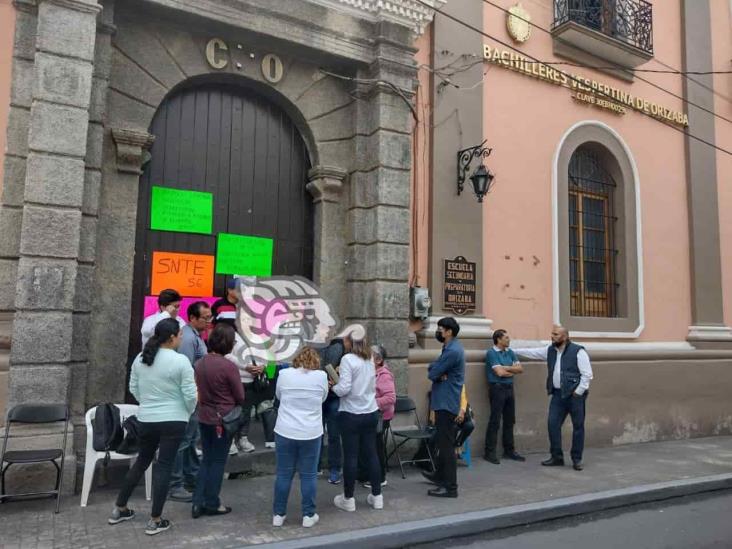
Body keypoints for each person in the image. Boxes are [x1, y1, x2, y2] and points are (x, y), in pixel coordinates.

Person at [108, 318, 197, 536]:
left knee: (141, 462)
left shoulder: (141, 358)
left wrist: (147, 403)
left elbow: (134, 388)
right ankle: (155, 519)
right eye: (180, 335)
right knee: (164, 466)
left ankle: (120, 508)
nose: (182, 338)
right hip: (174, 419)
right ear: (173, 337)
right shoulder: (181, 361)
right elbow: (191, 394)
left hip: (147, 418)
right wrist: (186, 411)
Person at [513, 325, 593, 471]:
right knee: (552, 424)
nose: (552, 336)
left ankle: (576, 459)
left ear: (565, 336)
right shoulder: (550, 350)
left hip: (575, 396)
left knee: (578, 427)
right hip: (557, 395)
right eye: (552, 334)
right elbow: (533, 353)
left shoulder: (578, 351)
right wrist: (511, 351)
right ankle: (557, 457)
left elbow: (587, 374)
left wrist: (578, 392)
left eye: (556, 334)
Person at [191, 323, 245, 519]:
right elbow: (240, 395)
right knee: (218, 461)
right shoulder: (229, 366)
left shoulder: (199, 363)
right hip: (224, 418)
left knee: (206, 459)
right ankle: (212, 502)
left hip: (204, 415)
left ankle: (197, 502)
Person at [272, 347, 329, 528]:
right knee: (309, 475)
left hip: (285, 430)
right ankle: (308, 515)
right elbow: (323, 398)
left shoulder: (284, 374)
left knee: (283, 474)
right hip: (310, 432)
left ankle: (278, 515)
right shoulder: (321, 376)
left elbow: (279, 396)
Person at [331, 333, 384, 512]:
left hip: (351, 413)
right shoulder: (370, 358)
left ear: (350, 342)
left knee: (351, 456)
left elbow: (344, 388)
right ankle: (377, 497)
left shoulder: (347, 359)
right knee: (371, 454)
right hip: (370, 411)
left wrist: (333, 387)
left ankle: (349, 499)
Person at [169, 301, 213, 502]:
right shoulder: (187, 338)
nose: (208, 321)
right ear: (193, 318)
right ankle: (175, 484)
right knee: (182, 441)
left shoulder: (196, 336)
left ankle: (192, 477)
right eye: (205, 317)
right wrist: (193, 397)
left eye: (209, 317)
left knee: (190, 439)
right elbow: (186, 370)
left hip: (195, 396)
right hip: (189, 397)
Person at [423, 317, 465, 498]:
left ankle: (450, 487)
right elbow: (435, 369)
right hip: (444, 401)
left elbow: (432, 373)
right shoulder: (449, 348)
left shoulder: (452, 351)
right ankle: (439, 476)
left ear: (449, 332)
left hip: (447, 403)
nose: (438, 332)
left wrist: (437, 372)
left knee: (446, 447)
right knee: (442, 443)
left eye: (440, 329)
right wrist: (437, 371)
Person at [484, 329, 525, 464]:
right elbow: (499, 373)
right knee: (495, 420)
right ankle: (489, 452)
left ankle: (509, 450)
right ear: (498, 339)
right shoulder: (491, 353)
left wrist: (505, 368)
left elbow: (520, 369)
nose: (509, 340)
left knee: (509, 420)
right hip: (497, 389)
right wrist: (509, 370)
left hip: (509, 389)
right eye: (506, 338)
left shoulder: (510, 352)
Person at [358, 344, 396, 488]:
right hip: (369, 414)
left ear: (378, 360)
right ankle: (366, 474)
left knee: (375, 447)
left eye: (369, 356)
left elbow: (390, 398)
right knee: (368, 446)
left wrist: (371, 402)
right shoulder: (369, 372)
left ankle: (379, 478)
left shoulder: (384, 375)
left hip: (380, 417)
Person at [319, 333, 350, 484]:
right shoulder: (338, 347)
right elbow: (328, 368)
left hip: (323, 395)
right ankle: (334, 470)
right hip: (332, 396)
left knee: (320, 433)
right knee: (333, 435)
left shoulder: (324, 346)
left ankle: (317, 467)